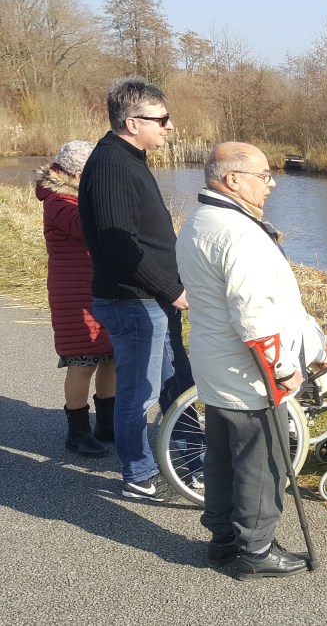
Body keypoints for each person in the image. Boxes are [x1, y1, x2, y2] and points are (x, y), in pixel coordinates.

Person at [175, 142, 313, 579]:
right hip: (245, 370)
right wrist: (283, 370)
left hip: (215, 362)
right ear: (233, 179)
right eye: (264, 175)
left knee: (220, 454)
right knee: (261, 458)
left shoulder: (200, 219)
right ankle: (255, 549)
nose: (271, 184)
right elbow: (253, 314)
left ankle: (222, 539)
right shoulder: (237, 232)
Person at [78, 77, 193, 500]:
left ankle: (187, 461)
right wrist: (170, 287)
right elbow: (117, 243)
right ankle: (139, 475)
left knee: (176, 384)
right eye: (161, 119)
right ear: (132, 122)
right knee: (139, 392)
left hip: (153, 297)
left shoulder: (129, 158)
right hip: (133, 300)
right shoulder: (110, 164)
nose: (169, 126)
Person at [35, 140, 115, 458]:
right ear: (80, 172)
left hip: (99, 287)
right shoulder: (58, 200)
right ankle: (77, 433)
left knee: (111, 356)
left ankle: (106, 424)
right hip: (72, 291)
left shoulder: (80, 195)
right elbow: (85, 227)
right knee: (82, 361)